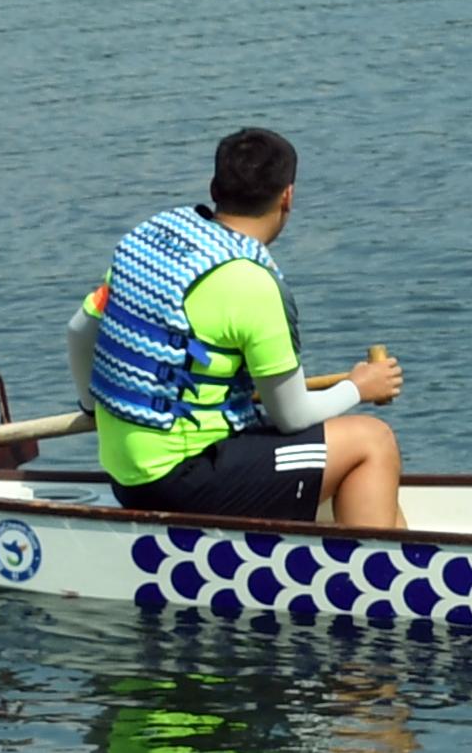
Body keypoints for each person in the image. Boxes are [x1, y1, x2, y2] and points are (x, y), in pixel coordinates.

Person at [73, 127, 402, 528]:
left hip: (124, 469)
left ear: (214, 186)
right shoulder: (254, 282)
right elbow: (293, 417)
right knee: (373, 441)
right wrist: (359, 387)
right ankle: (369, 578)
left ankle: (396, 542)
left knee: (356, 465)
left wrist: (92, 408)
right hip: (180, 482)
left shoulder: (152, 238)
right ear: (287, 197)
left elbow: (79, 332)